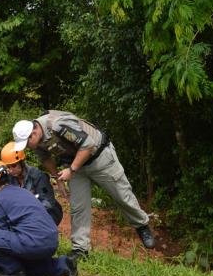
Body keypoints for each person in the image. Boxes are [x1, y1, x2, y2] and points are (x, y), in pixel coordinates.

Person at [12, 110, 155, 264]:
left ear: (34, 133)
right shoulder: (37, 141)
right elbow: (45, 158)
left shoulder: (57, 125)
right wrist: (57, 178)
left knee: (122, 196)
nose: (27, 147)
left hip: (99, 157)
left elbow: (88, 145)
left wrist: (71, 170)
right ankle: (80, 249)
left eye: (27, 143)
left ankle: (141, 225)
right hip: (75, 165)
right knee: (78, 207)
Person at [0, 160, 76, 276]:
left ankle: (13, 270)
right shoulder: (23, 191)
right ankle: (61, 265)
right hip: (51, 242)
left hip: (33, 243)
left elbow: (3, 235)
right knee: (29, 265)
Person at [0, 141, 63, 225]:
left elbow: (48, 202)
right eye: (8, 167)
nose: (11, 170)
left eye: (14, 166)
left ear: (21, 162)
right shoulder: (10, 178)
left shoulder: (37, 176)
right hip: (25, 214)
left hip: (48, 212)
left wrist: (28, 213)